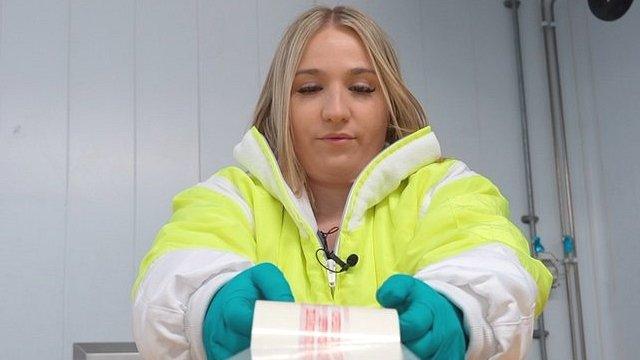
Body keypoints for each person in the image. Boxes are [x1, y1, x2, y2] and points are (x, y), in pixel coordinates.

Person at [131, 5, 552, 360]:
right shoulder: (231, 197)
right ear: (281, 104)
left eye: (362, 88)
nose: (335, 110)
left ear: (389, 102)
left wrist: (462, 312)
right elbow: (170, 278)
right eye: (310, 88)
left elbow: (496, 267)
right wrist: (206, 306)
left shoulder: (446, 190)